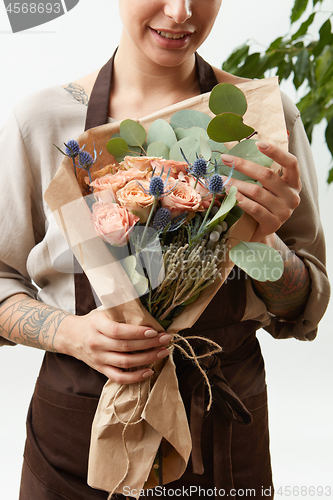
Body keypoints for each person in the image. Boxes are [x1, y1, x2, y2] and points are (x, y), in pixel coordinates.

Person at [0, 1, 330, 499]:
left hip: (222, 428)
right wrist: (72, 334)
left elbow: (303, 305)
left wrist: (259, 241)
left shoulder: (263, 117)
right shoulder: (43, 122)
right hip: (78, 431)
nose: (181, 12)